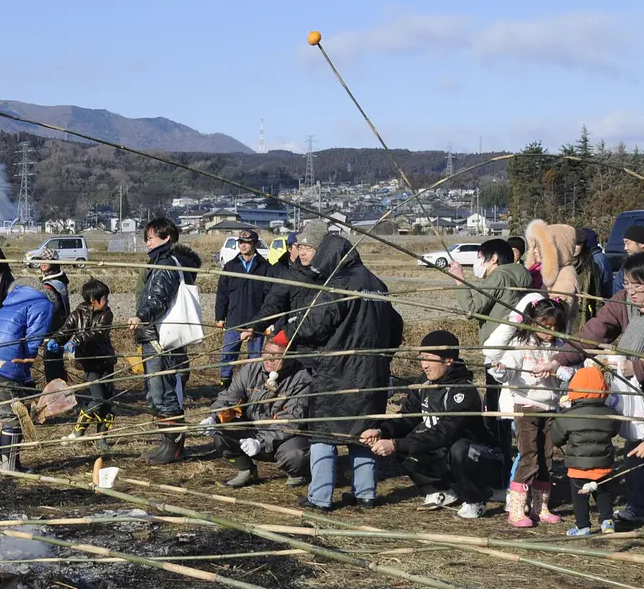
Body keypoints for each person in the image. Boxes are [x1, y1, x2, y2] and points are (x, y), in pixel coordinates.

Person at [552, 253, 644, 527]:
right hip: (633, 391)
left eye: (637, 285)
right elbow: (592, 334)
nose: (631, 291)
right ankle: (638, 506)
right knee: (635, 443)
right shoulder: (622, 302)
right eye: (627, 283)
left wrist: (639, 368)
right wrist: (559, 359)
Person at [292, 222, 401, 511]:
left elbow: (315, 324)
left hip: (337, 372)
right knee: (364, 433)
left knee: (323, 433)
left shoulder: (339, 284)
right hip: (373, 373)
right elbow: (396, 327)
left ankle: (320, 496)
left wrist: (291, 328)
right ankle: (366, 492)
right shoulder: (377, 284)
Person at [363, 330, 501, 519]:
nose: (424, 364)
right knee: (406, 444)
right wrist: (383, 431)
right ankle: (441, 490)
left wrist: (396, 444)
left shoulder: (464, 391)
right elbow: (407, 417)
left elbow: (444, 433)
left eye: (429, 358)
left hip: (475, 457)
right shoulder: (424, 384)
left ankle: (476, 499)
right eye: (422, 358)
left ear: (448, 360)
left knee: (459, 449)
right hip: (444, 453)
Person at [485, 295, 569, 527]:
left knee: (547, 459)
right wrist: (500, 370)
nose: (549, 331)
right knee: (529, 457)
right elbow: (505, 373)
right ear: (533, 323)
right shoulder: (520, 347)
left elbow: (570, 373)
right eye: (545, 326)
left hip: (550, 408)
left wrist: (559, 373)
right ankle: (516, 509)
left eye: (554, 327)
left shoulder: (559, 349)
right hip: (526, 407)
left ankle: (541, 507)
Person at [127, 217, 201, 464]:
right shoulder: (164, 263)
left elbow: (158, 298)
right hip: (158, 337)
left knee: (165, 392)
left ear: (166, 237)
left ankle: (175, 448)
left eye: (150, 237)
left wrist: (140, 316)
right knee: (157, 393)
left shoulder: (167, 265)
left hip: (162, 340)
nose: (147, 242)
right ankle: (166, 443)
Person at [201, 329, 311, 488]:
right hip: (253, 428)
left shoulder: (302, 380)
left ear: (290, 358)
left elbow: (290, 422)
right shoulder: (251, 369)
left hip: (285, 437)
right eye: (266, 352)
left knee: (295, 456)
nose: (269, 359)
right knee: (220, 434)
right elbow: (231, 397)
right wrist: (215, 417)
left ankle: (297, 473)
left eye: (276, 356)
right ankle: (246, 470)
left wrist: (260, 442)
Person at [453, 237, 532, 456]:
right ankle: (514, 451)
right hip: (518, 345)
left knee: (495, 406)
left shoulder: (499, 276)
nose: (479, 264)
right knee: (513, 402)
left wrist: (459, 279)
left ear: (494, 258)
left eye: (481, 258)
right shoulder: (523, 274)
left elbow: (471, 308)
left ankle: (499, 454)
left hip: (497, 347)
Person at [0, 283, 53, 472]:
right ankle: (8, 467)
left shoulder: (12, 303)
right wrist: (27, 364)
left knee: (1, 413)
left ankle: (0, 463)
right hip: (6, 359)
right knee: (13, 413)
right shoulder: (43, 304)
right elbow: (34, 338)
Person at [50, 278, 116, 449]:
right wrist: (56, 340)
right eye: (105, 299)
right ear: (93, 301)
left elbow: (98, 334)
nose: (107, 302)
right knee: (98, 399)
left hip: (105, 361)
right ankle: (79, 431)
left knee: (107, 402)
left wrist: (76, 341)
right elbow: (65, 331)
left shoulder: (107, 314)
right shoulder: (77, 314)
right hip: (89, 363)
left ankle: (101, 438)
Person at [552, 367, 618, 536]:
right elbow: (614, 431)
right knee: (603, 493)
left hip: (577, 466)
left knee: (579, 497)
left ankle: (583, 526)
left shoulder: (568, 416)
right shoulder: (611, 414)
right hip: (603, 463)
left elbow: (556, 438)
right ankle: (608, 521)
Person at [215, 228, 270, 387]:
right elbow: (222, 294)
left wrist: (268, 321)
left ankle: (253, 386)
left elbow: (269, 296)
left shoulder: (264, 267)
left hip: (257, 321)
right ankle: (225, 385)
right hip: (234, 319)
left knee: (255, 357)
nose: (243, 245)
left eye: (247, 242)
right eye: (241, 242)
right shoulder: (231, 266)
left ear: (255, 244)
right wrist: (220, 317)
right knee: (227, 355)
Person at [524, 220, 580, 325]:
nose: (535, 251)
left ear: (555, 249)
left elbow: (554, 317)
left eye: (539, 246)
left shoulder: (565, 278)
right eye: (534, 246)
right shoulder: (548, 272)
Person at [34, 247, 71, 385]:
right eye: (41, 260)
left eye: (47, 261)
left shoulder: (52, 284)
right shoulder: (57, 281)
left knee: (51, 363)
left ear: (54, 263)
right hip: (59, 326)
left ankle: (57, 394)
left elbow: (51, 308)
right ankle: (60, 391)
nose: (43, 263)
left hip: (54, 328)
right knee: (54, 362)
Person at [573, 227, 605, 321]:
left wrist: (598, 320)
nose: (574, 247)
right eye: (572, 243)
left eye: (578, 244)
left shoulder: (590, 267)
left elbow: (597, 298)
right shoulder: (558, 264)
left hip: (581, 318)